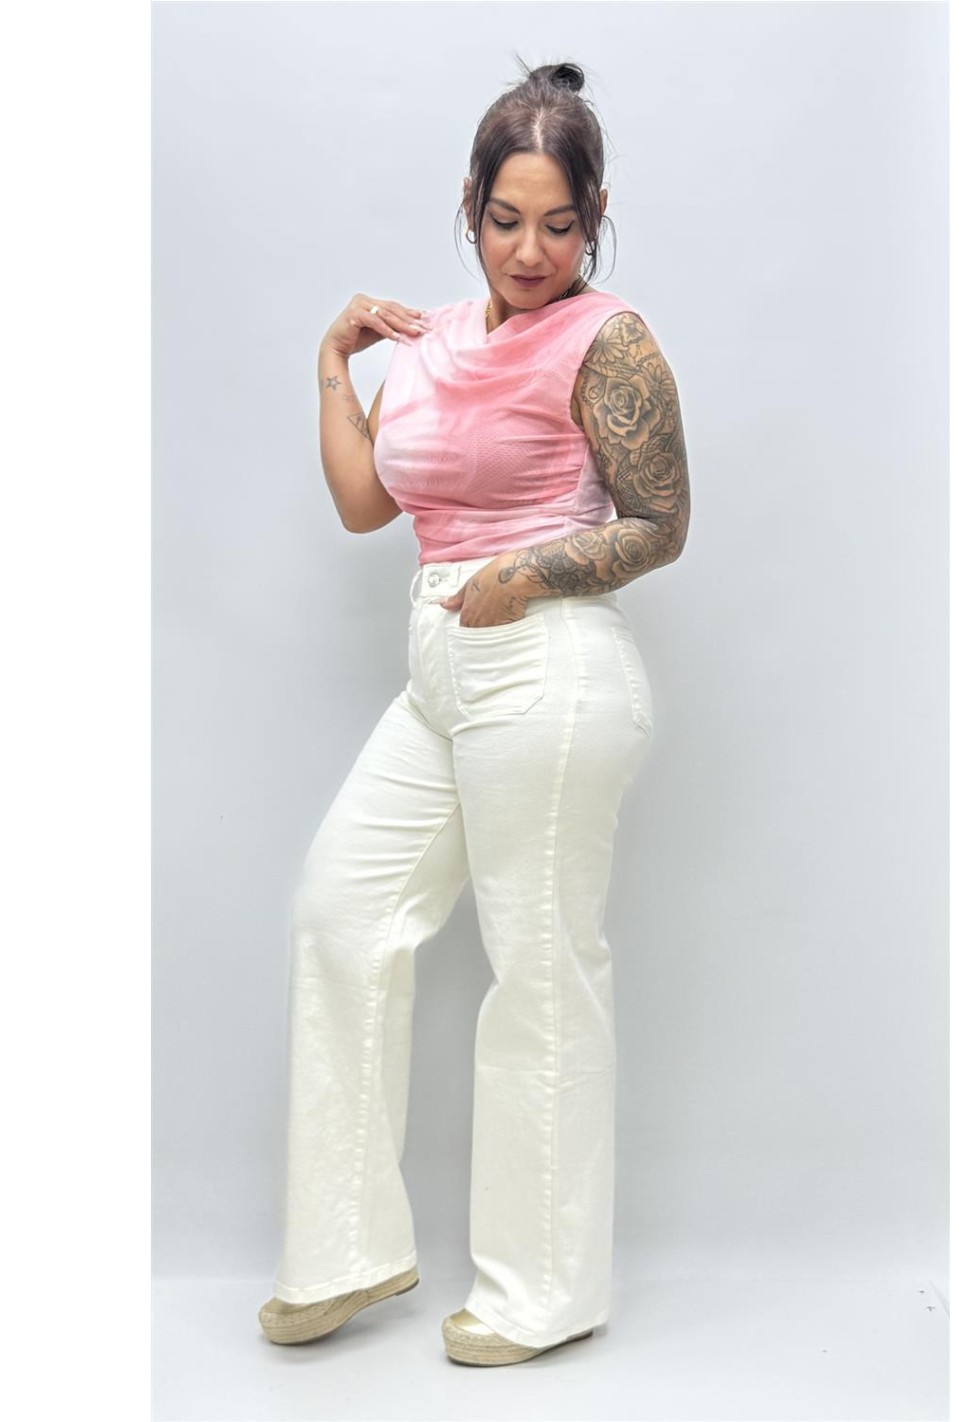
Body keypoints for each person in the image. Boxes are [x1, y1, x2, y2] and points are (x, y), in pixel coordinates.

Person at [258, 58, 690, 1367]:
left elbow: (662, 523)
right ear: (469, 205)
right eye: (507, 219)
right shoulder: (435, 340)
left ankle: (542, 1293)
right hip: (442, 674)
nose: (531, 250)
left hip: (548, 668)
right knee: (341, 913)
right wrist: (332, 365)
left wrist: (528, 573)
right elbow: (366, 504)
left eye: (560, 223)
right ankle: (343, 1250)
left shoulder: (610, 339)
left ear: (595, 216)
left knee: (541, 966)